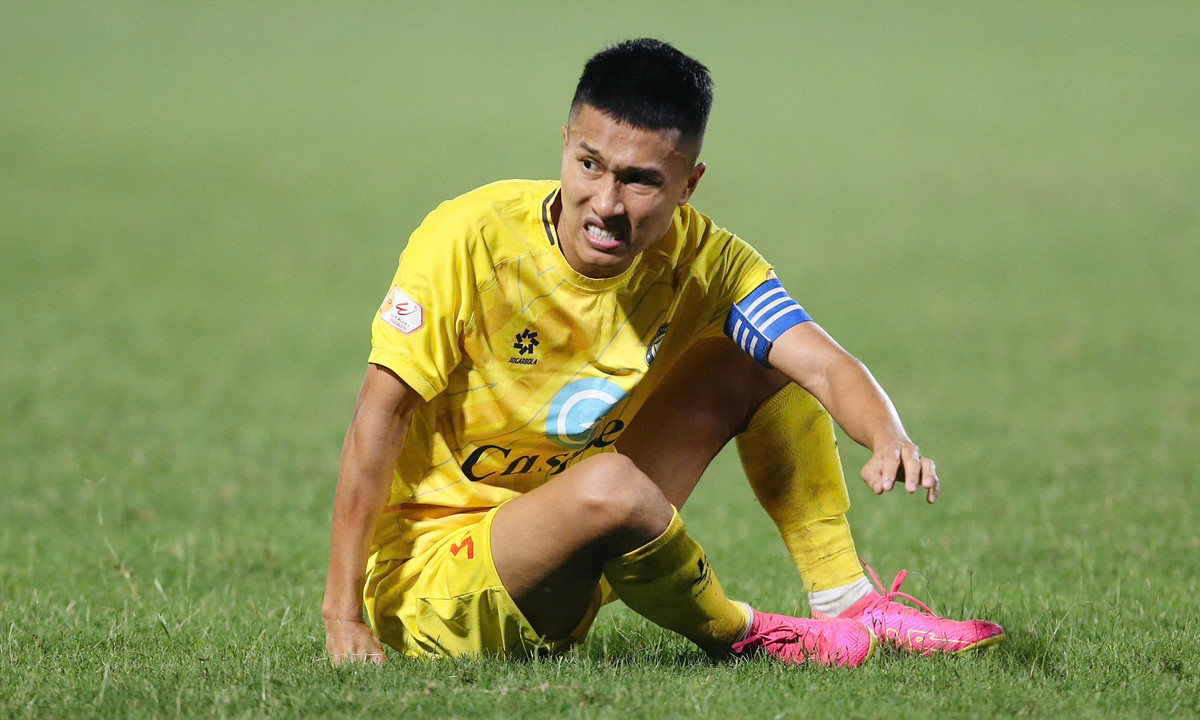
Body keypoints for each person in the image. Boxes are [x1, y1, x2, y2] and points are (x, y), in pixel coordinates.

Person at [322, 38, 1004, 667]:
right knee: (609, 485)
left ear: (688, 185)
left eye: (640, 181)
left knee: (757, 360)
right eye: (589, 164)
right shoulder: (469, 239)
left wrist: (889, 436)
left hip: (582, 540)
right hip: (439, 583)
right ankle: (745, 636)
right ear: (565, 143)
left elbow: (823, 363)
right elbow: (380, 415)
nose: (605, 204)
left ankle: (848, 600)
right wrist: (343, 617)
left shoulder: (709, 263)